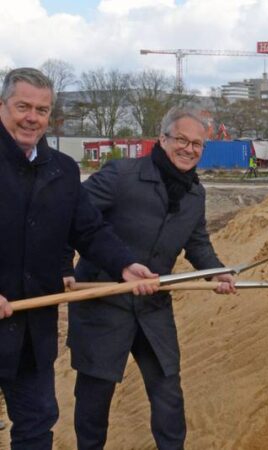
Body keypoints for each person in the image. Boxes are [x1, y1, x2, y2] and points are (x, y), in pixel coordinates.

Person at [0, 67, 157, 449]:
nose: (32, 118)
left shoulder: (63, 170)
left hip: (31, 333)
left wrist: (124, 264)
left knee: (36, 425)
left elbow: (89, 230)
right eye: (23, 107)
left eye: (41, 110)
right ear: (2, 106)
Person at [63, 106, 237, 450]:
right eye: (181, 140)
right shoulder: (121, 175)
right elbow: (72, 215)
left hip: (153, 307)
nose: (189, 149)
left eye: (197, 144)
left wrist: (216, 272)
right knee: (95, 398)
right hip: (103, 302)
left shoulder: (195, 195)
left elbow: (197, 242)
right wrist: (62, 264)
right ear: (162, 138)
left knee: (168, 392)